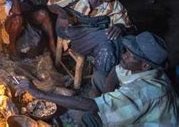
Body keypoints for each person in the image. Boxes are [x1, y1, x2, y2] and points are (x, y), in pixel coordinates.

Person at [15, 32, 178, 126]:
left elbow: (92, 106)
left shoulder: (144, 90)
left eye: (130, 55)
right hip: (137, 105)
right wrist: (105, 100)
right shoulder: (137, 67)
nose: (124, 55)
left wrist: (40, 94)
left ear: (145, 66)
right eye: (127, 51)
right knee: (99, 76)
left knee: (89, 118)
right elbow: (116, 70)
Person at [47, 0, 133, 94]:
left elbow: (128, 26)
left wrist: (121, 26)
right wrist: (62, 14)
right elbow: (51, 4)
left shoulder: (115, 6)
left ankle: (103, 83)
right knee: (106, 40)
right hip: (70, 31)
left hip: (92, 37)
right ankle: (106, 85)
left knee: (113, 41)